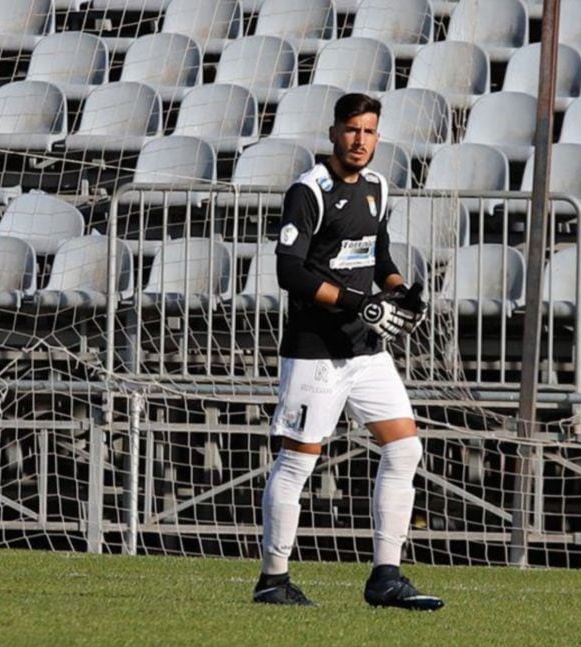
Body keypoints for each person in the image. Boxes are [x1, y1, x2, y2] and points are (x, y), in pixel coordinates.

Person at [251, 93, 443, 611]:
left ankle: (386, 577)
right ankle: (273, 579)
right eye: (353, 130)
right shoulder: (308, 190)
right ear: (334, 132)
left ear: (378, 137)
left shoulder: (377, 186)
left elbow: (378, 255)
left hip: (365, 349)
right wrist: (359, 302)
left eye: (370, 131)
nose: (361, 140)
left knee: (404, 449)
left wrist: (400, 291)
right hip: (316, 351)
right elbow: (289, 271)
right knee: (298, 462)